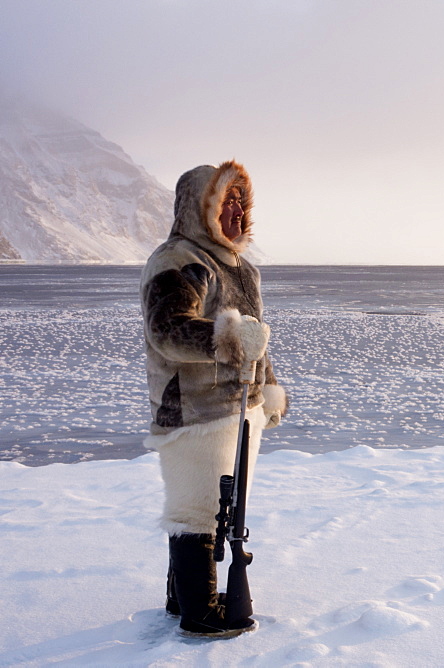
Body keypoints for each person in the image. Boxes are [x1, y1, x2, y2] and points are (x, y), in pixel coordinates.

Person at [140, 160, 287, 638]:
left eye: (242, 201)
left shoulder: (243, 268)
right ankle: (200, 614)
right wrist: (227, 339)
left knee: (219, 508)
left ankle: (182, 595)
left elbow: (254, 337)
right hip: (193, 409)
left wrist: (267, 384)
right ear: (199, 208)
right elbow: (168, 330)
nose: (238, 211)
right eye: (226, 201)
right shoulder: (179, 259)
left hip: (240, 408)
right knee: (196, 509)